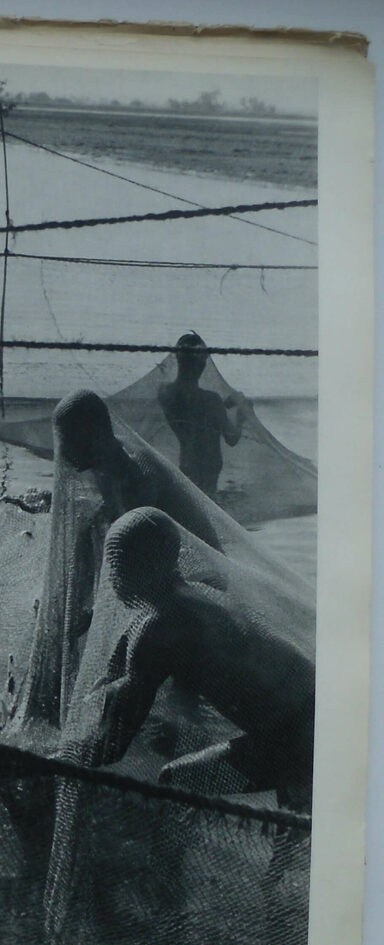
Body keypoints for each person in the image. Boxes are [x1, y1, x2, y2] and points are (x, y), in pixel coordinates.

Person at [57, 508, 314, 814]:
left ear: (146, 567)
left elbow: (112, 746)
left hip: (300, 737)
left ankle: (167, 861)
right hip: (315, 716)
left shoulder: (160, 624)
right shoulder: (189, 597)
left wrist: (33, 762)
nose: (112, 579)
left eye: (118, 565)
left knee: (175, 779)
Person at [51, 388, 222, 549]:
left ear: (93, 433)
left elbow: (132, 537)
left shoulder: (139, 472)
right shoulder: (109, 456)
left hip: (198, 567)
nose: (64, 452)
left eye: (70, 439)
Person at [155, 332, 245, 497]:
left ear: (178, 359)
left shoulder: (165, 393)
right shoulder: (211, 400)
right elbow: (231, 438)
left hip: (187, 463)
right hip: (208, 469)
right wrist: (241, 416)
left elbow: (192, 413)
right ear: (201, 365)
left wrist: (223, 404)